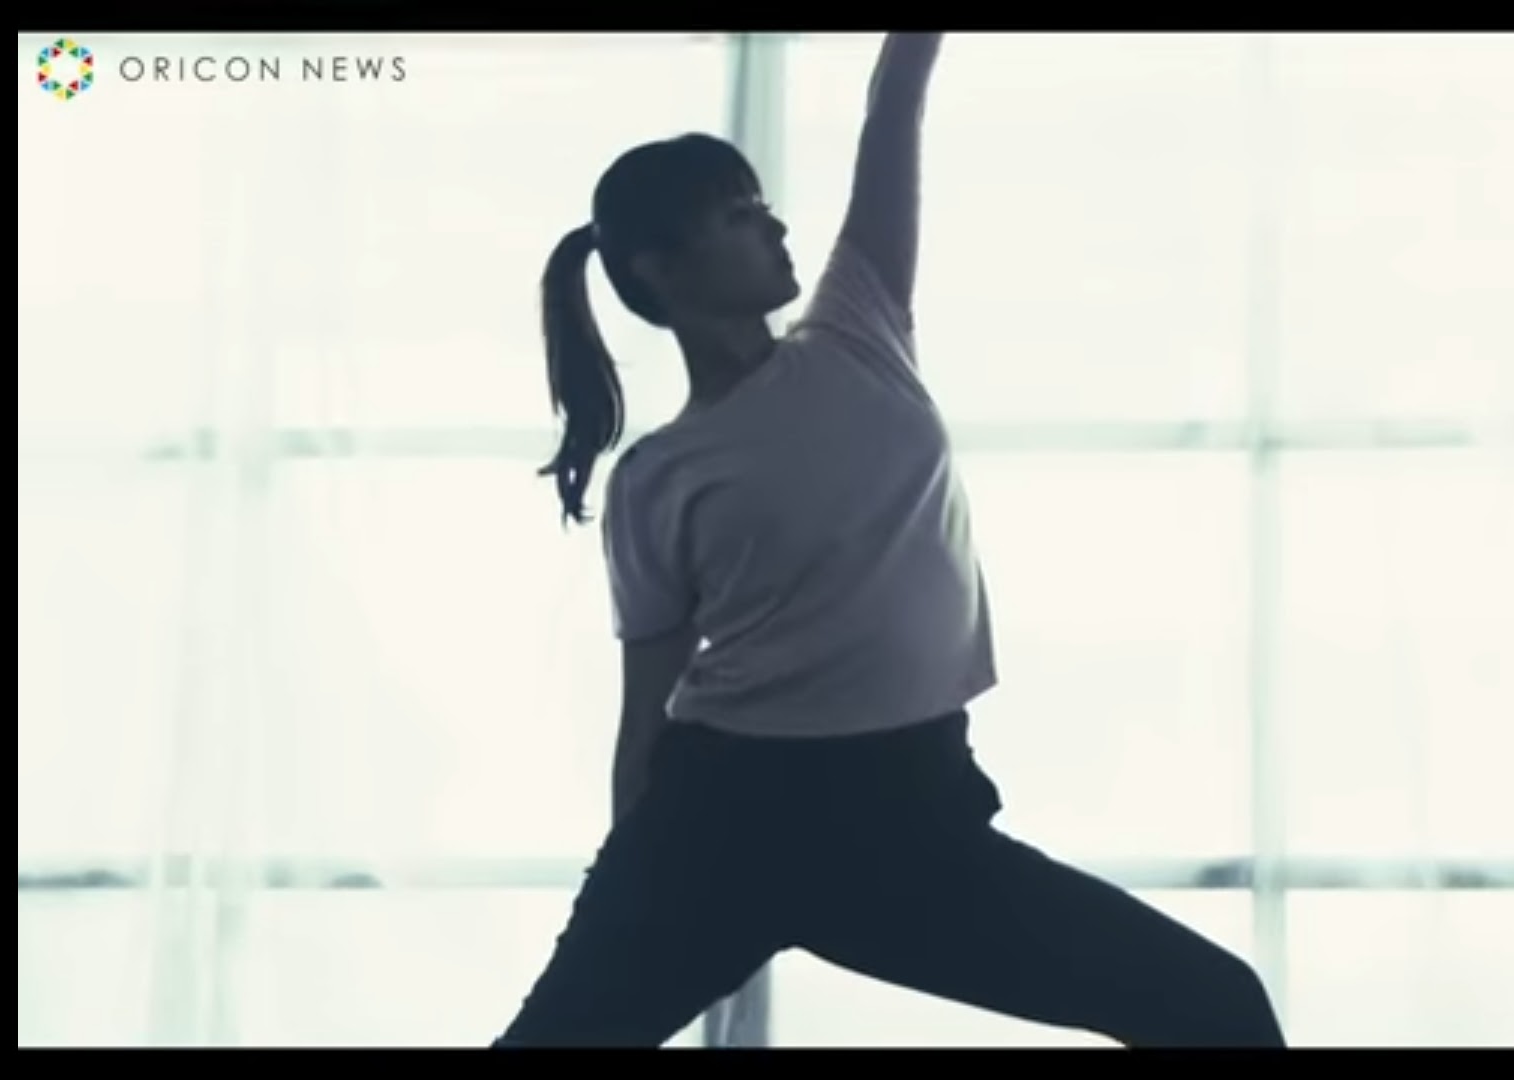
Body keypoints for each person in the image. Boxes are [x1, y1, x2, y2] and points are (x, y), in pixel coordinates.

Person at [495, 33, 1287, 1049]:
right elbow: (642, 716)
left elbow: (895, 100)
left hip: (908, 825)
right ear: (662, 268)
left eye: (763, 205)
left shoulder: (858, 327)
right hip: (721, 826)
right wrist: (635, 897)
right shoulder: (658, 477)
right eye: (738, 216)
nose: (776, 225)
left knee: (1216, 1006)